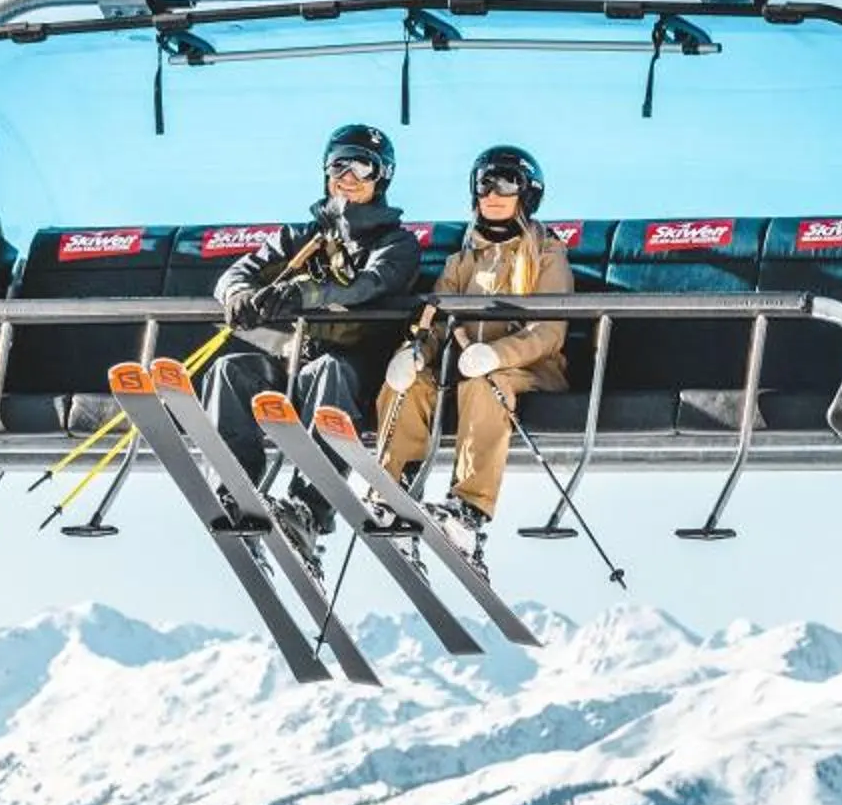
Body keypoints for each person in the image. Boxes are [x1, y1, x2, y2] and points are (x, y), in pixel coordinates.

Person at [206, 123, 424, 567]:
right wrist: (239, 296)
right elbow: (235, 273)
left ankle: (309, 506)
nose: (348, 174)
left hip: (357, 374)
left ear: (382, 176)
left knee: (328, 371)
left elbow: (369, 285)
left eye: (362, 165)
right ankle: (237, 492)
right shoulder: (301, 236)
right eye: (337, 163)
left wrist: (307, 294)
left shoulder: (396, 243)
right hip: (297, 366)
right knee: (230, 372)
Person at [373, 145, 571, 567]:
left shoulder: (547, 255)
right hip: (460, 370)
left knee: (486, 385)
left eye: (506, 183)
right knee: (408, 386)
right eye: (484, 184)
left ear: (527, 194)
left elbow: (550, 330)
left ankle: (469, 509)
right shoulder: (462, 260)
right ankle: (394, 494)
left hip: (527, 371)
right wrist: (415, 353)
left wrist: (497, 355)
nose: (493, 193)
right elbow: (436, 319)